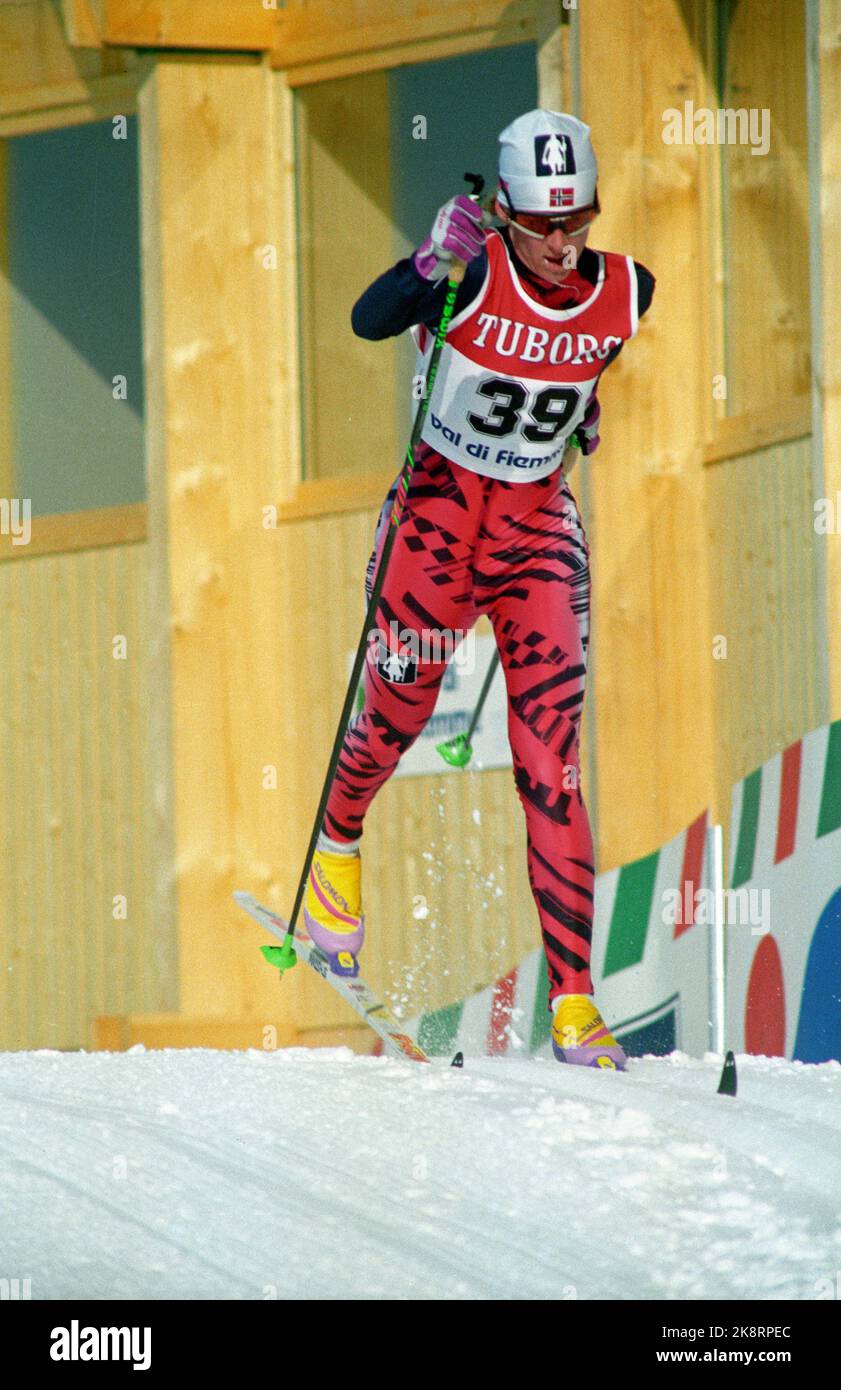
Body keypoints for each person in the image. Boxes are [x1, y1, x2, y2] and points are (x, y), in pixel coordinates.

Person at [303, 110, 655, 1070]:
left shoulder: (628, 289)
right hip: (433, 526)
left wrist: (583, 413)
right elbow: (366, 321)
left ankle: (577, 1007)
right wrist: (425, 266)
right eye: (539, 223)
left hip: (535, 536)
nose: (558, 243)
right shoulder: (469, 268)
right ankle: (337, 851)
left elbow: (583, 364)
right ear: (502, 211)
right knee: (394, 716)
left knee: (551, 762)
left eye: (575, 220)